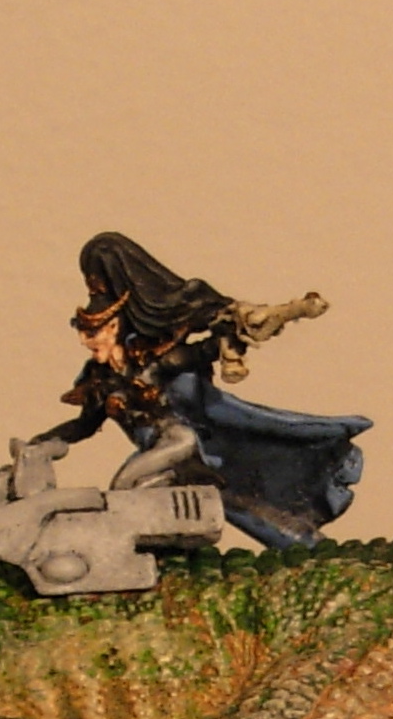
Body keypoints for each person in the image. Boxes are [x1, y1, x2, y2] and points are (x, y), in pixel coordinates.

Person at [33, 233, 370, 548]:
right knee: (229, 503)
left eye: (94, 333)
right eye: (83, 333)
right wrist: (41, 445)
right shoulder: (99, 379)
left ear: (114, 326)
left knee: (124, 486)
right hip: (165, 457)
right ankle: (303, 544)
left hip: (179, 441)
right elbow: (83, 425)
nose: (86, 341)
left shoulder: (156, 362)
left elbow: (204, 350)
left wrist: (234, 330)